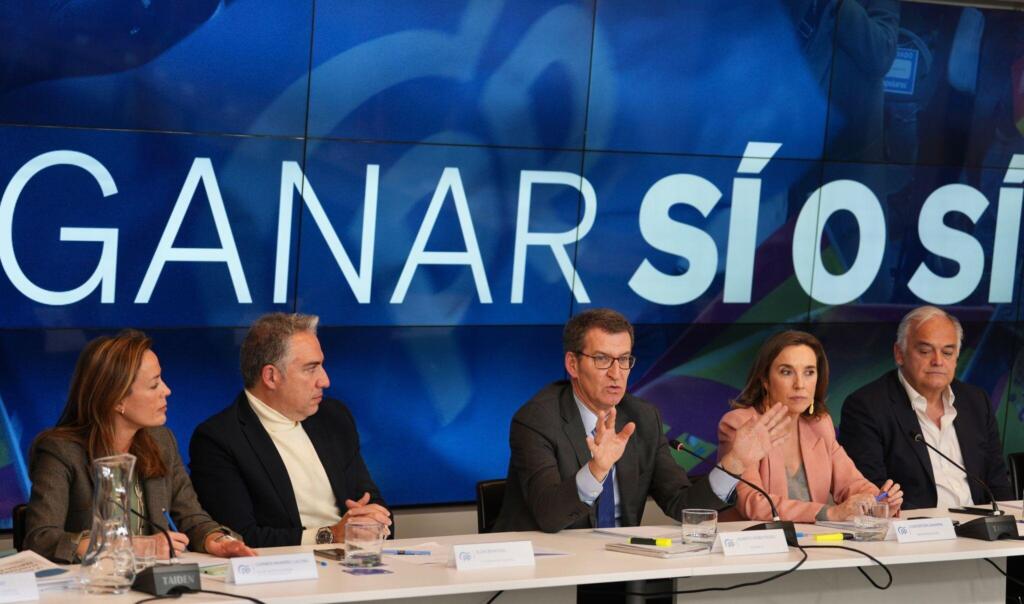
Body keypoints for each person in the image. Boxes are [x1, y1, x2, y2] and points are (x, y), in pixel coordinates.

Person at [493, 308, 790, 532]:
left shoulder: (642, 417)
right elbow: (549, 516)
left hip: (621, 566)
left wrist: (734, 463)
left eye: (624, 360)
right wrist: (596, 470)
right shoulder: (537, 420)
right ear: (573, 364)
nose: (616, 373)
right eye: (602, 359)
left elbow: (682, 504)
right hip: (546, 573)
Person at [24, 330, 256, 563]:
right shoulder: (60, 451)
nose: (167, 391)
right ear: (117, 399)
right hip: (94, 582)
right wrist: (130, 547)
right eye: (154, 385)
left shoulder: (162, 441)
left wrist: (217, 540)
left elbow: (191, 517)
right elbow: (40, 540)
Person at [189, 313, 390, 547]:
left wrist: (374, 521)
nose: (325, 380)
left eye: (321, 366)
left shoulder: (334, 416)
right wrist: (330, 535)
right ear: (271, 376)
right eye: (311, 369)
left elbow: (371, 500)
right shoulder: (218, 439)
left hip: (356, 557)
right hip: (283, 564)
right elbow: (238, 536)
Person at [719, 331, 903, 522]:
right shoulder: (741, 425)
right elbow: (753, 503)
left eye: (809, 372)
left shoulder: (819, 425)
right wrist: (829, 513)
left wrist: (879, 501)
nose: (800, 384)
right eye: (786, 372)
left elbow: (853, 484)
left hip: (812, 539)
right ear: (765, 380)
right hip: (757, 538)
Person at [839, 306, 1012, 510]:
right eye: (925, 351)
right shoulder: (866, 406)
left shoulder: (976, 402)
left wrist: (1009, 522)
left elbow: (998, 482)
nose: (938, 361)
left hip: (980, 523)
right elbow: (871, 492)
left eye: (947, 352)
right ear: (899, 354)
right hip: (914, 525)